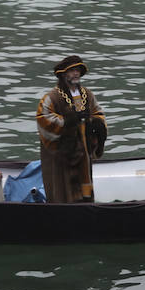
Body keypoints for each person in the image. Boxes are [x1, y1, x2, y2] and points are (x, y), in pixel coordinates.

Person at [35, 55, 108, 203]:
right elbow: (44, 119)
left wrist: (95, 122)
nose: (76, 74)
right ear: (63, 74)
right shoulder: (52, 97)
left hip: (83, 150)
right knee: (63, 188)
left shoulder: (87, 94)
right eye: (72, 70)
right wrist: (70, 120)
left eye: (78, 70)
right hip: (62, 153)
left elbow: (98, 113)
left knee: (84, 183)